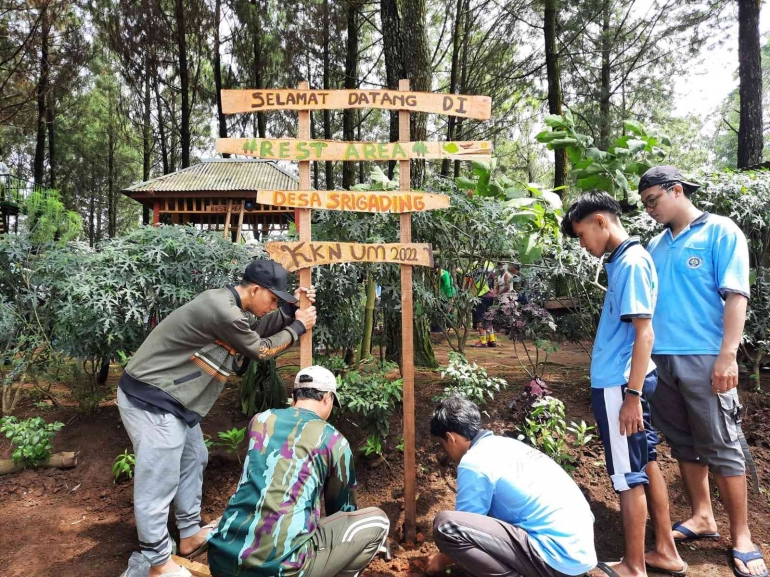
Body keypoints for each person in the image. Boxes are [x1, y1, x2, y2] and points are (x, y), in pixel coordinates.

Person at [117, 259, 317, 577]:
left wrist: (292, 313)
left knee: (195, 456)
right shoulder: (221, 309)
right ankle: (158, 563)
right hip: (151, 399)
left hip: (174, 401)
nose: (274, 306)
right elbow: (259, 348)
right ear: (255, 289)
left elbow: (249, 332)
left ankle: (188, 535)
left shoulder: (232, 308)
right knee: (158, 480)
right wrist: (298, 326)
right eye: (274, 299)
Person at [639, 166, 767, 577]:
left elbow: (736, 296)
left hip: (706, 357)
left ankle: (742, 536)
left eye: (653, 201)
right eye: (644, 205)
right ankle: (702, 517)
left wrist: (728, 356)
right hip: (662, 360)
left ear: (676, 190)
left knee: (723, 446)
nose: (650, 211)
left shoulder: (721, 232)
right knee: (684, 443)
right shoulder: (656, 245)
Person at [562, 192, 685, 577]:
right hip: (625, 381)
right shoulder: (625, 259)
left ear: (601, 221)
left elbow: (644, 334)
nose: (583, 245)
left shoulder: (630, 262)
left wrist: (630, 396)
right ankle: (665, 550)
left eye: (582, 235)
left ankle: (633, 565)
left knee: (626, 475)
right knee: (645, 463)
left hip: (620, 385)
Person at [206, 366, 390, 577]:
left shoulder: (260, 420)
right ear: (328, 398)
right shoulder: (333, 440)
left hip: (220, 559)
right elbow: (342, 512)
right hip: (282, 569)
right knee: (378, 521)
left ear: (294, 396)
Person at [426, 395, 597, 577]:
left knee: (447, 526)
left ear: (451, 438)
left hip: (556, 559)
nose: (445, 449)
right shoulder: (506, 445)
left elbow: (465, 527)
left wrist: (441, 560)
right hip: (578, 553)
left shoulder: (473, 462)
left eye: (442, 443)